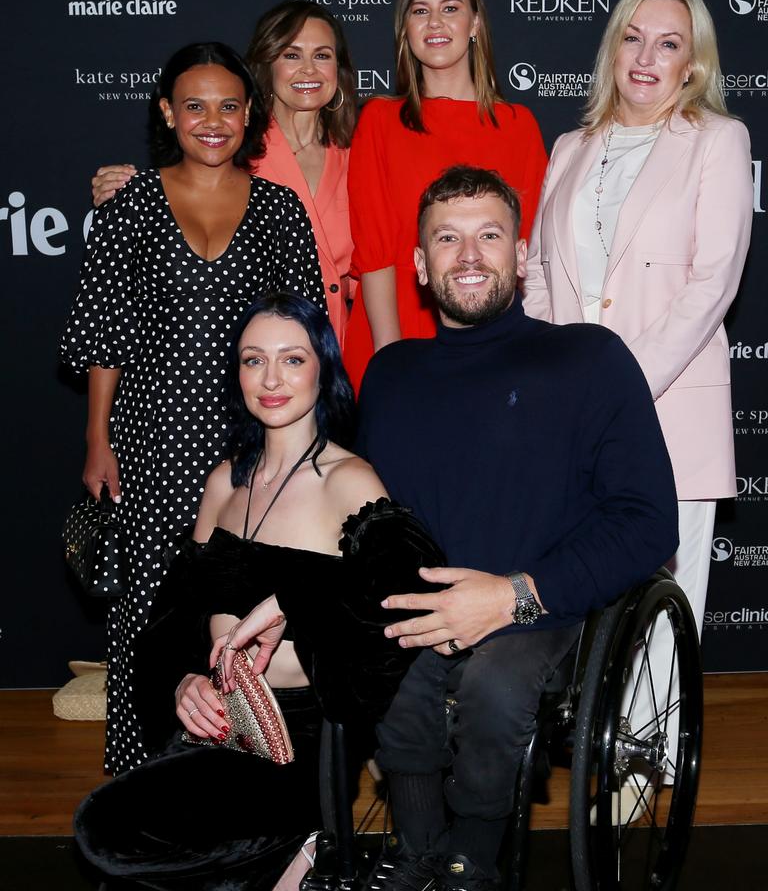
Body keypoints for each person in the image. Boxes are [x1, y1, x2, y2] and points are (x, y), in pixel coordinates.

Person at [355, 165, 678, 891]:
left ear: (521, 254)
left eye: (489, 235)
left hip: (544, 607)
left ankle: (473, 859)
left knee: (496, 686)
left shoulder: (588, 359)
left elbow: (648, 519)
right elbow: (366, 519)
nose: (469, 256)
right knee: (387, 666)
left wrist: (513, 596)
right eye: (447, 238)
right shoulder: (390, 375)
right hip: (424, 604)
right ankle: (419, 850)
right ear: (418, 264)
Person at [74, 293, 445, 891]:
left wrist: (293, 598)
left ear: (323, 371)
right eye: (253, 360)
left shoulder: (347, 479)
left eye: (292, 359)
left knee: (107, 830)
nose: (271, 379)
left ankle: (303, 843)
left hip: (298, 743)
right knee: (120, 848)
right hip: (214, 724)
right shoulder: (224, 482)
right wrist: (183, 680)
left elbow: (408, 574)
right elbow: (175, 616)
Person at [60, 43, 326, 775]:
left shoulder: (279, 209)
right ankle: (139, 783)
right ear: (167, 112)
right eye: (196, 105)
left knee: (236, 619)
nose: (213, 121)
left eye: (230, 105)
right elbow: (104, 334)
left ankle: (245, 792)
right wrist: (97, 440)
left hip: (252, 448)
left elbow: (307, 336)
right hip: (148, 446)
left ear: (251, 115)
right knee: (146, 619)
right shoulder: (131, 206)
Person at [523, 0, 753, 780]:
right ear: (613, 47)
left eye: (669, 44)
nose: (647, 57)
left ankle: (650, 767)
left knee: (670, 591)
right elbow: (541, 279)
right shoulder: (570, 148)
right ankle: (591, 743)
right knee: (578, 581)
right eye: (633, 38)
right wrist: (553, 380)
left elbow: (714, 281)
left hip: (667, 403)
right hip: (573, 412)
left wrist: (618, 384)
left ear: (692, 66)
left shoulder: (718, 141)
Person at [90, 0, 358, 346]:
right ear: (267, 63)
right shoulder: (228, 148)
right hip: (246, 356)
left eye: (322, 55)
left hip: (339, 347)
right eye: (292, 55)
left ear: (340, 68)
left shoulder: (358, 154)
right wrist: (118, 188)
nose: (309, 70)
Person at [343, 0, 548, 392]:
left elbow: (523, 253)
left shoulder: (518, 126)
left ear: (475, 23)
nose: (435, 22)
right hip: (394, 332)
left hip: (492, 342)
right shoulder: (380, 121)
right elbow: (376, 254)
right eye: (420, 11)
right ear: (406, 29)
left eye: (450, 8)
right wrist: (390, 360)